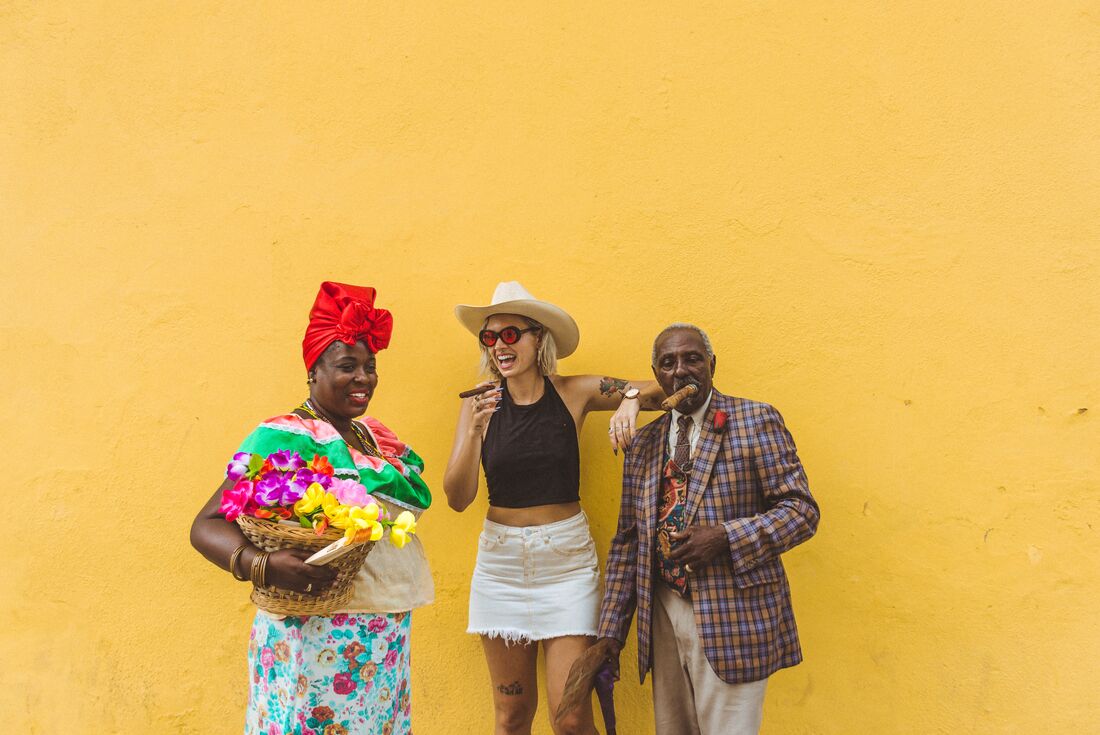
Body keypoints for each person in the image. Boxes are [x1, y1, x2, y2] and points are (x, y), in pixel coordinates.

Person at [190, 282, 433, 735]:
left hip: (382, 634)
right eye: (347, 366)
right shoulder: (286, 436)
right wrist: (263, 565)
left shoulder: (372, 437)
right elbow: (205, 525)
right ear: (314, 371)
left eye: (370, 367)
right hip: (313, 636)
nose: (363, 378)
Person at [443, 281, 664, 735]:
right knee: (511, 716)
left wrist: (630, 399)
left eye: (510, 334)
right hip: (501, 567)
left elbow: (665, 389)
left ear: (538, 337)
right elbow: (458, 498)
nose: (499, 346)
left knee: (571, 716)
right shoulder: (478, 403)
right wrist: (474, 432)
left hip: (565, 567)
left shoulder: (573, 392)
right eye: (490, 337)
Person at [597, 323, 820, 735]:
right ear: (657, 375)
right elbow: (628, 542)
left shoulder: (755, 420)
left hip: (733, 620)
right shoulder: (643, 443)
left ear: (712, 365)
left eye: (692, 359)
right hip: (662, 615)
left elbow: (801, 512)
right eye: (668, 363)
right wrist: (611, 632)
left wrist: (725, 537)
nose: (681, 371)